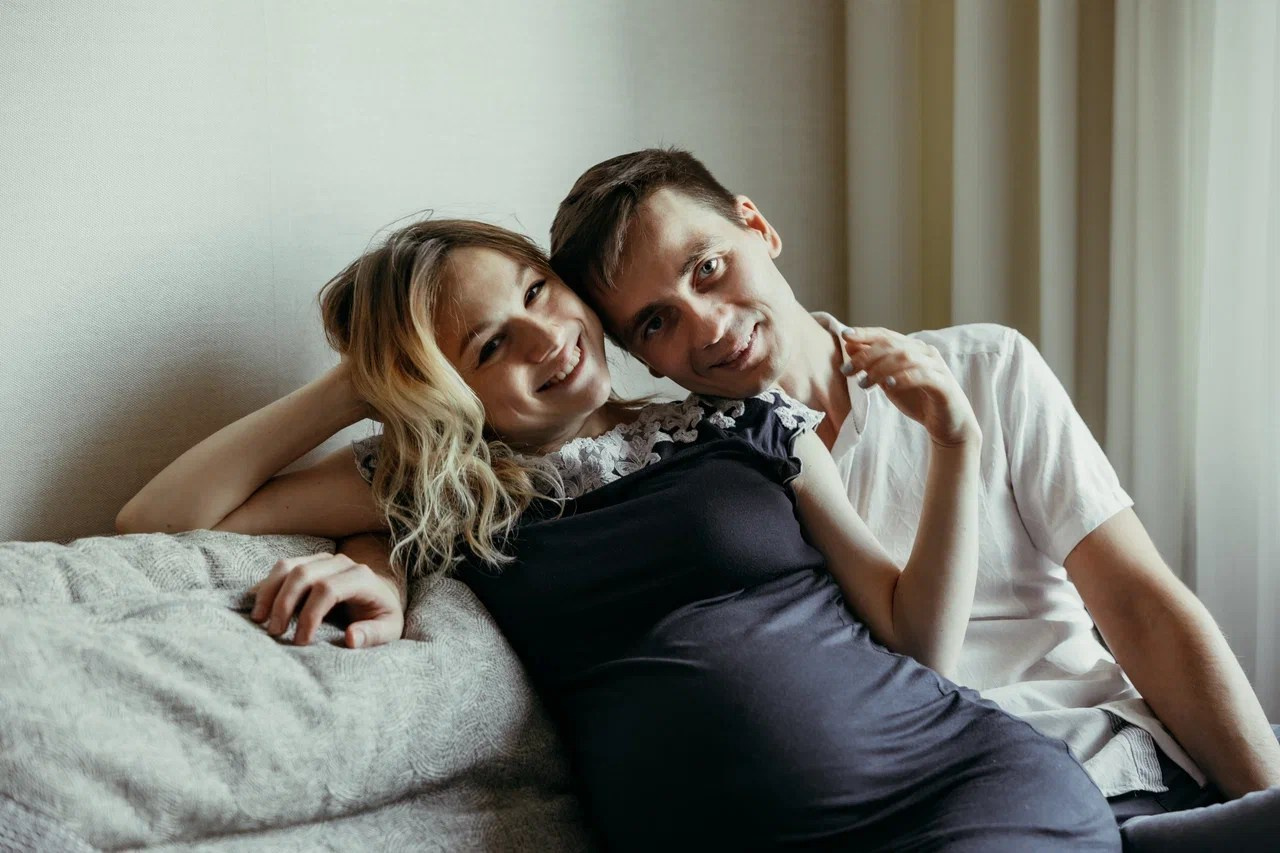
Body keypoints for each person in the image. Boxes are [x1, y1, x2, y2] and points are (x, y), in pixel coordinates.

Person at [118, 218, 1119, 851]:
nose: (546, 336)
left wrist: (956, 444)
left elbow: (918, 639)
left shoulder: (744, 421)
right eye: (489, 344)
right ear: (438, 389)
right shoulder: (441, 488)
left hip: (957, 790)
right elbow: (158, 516)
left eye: (535, 291)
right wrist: (357, 383)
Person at [545, 147, 1280, 843]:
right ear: (642, 359)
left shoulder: (987, 367)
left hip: (1115, 770)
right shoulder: (702, 500)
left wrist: (1263, 798)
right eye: (656, 321)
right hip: (926, 811)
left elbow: (1141, 605)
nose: (707, 326)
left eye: (708, 267)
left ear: (758, 228)